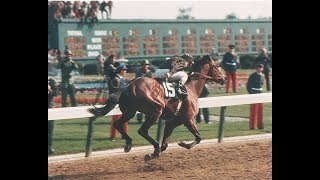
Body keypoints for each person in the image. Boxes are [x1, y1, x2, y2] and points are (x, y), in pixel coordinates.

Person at [108, 64, 129, 141]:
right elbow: (115, 92)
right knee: (116, 120)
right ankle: (113, 136)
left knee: (125, 120)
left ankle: (124, 136)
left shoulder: (122, 79)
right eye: (124, 70)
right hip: (117, 103)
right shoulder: (116, 79)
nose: (126, 71)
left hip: (123, 103)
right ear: (121, 71)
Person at [246, 64, 265, 130]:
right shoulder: (253, 75)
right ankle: (252, 126)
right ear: (256, 68)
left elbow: (262, 84)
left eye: (261, 68)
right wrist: (251, 93)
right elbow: (248, 85)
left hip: (260, 93)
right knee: (254, 110)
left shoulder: (262, 75)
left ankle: (260, 126)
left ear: (262, 69)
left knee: (261, 110)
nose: (260, 69)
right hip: (254, 93)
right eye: (259, 68)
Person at [48, 78, 57, 154]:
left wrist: (49, 90)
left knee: (50, 131)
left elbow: (55, 93)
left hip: (50, 110)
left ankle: (49, 147)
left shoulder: (51, 81)